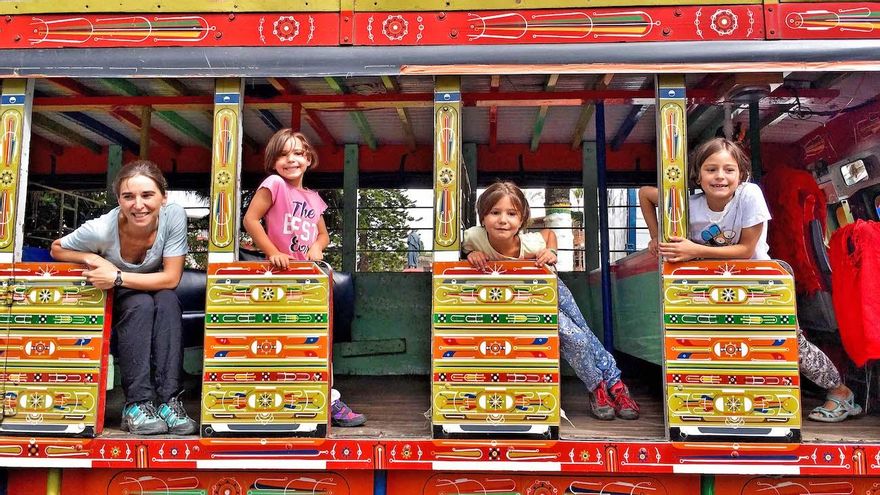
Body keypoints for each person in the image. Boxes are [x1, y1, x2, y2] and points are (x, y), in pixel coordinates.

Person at [639, 137, 860, 423]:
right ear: (698, 174)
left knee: (788, 343)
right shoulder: (687, 204)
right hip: (712, 287)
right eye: (711, 169)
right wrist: (656, 236)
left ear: (741, 174)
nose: (720, 177)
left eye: (729, 170)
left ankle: (841, 392)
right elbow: (645, 194)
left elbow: (746, 249)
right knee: (714, 347)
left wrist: (694, 250)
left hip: (759, 284)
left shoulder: (750, 195)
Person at [463, 181, 640, 420]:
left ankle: (615, 386)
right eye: (495, 212)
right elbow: (461, 251)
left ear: (522, 218)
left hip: (550, 290)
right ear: (483, 217)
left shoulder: (529, 243)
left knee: (583, 332)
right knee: (576, 339)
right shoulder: (474, 237)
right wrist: (470, 254)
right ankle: (597, 385)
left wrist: (552, 252)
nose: (503, 220)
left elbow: (549, 234)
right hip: (524, 301)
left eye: (511, 213)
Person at [51, 160, 197, 435]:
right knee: (139, 304)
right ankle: (137, 404)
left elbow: (171, 278)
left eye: (147, 195)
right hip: (119, 298)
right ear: (119, 199)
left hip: (155, 288)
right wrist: (91, 257)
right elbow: (57, 248)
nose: (138, 205)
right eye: (128, 196)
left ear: (163, 198)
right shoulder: (101, 229)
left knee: (167, 301)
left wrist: (117, 275)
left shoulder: (174, 215)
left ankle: (169, 401)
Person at [243, 128, 366, 427]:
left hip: (310, 279)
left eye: (298, 153)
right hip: (282, 277)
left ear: (309, 159)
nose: (291, 159)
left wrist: (316, 246)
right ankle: (286, 397)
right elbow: (250, 219)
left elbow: (322, 234)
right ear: (273, 162)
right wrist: (273, 252)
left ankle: (327, 398)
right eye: (283, 154)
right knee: (284, 340)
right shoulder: (274, 184)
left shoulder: (313, 198)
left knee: (316, 341)